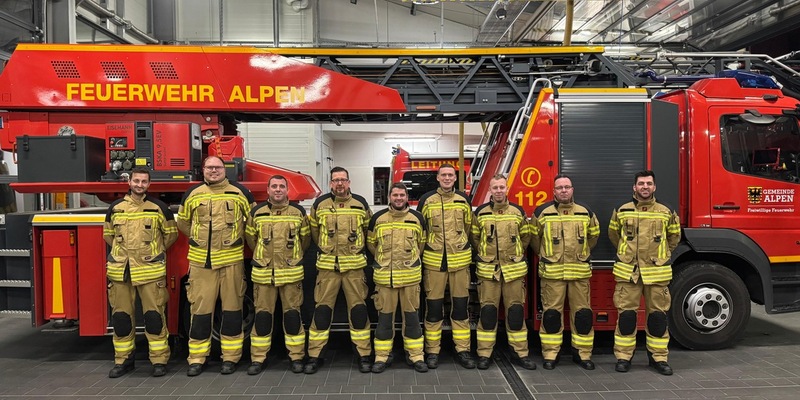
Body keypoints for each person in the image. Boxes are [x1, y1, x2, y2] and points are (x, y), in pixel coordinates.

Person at [177, 156, 255, 376]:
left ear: (225, 170)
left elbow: (251, 223)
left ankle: (230, 358)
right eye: (209, 167)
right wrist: (198, 240)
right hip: (202, 263)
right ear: (203, 170)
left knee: (232, 312)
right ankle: (197, 359)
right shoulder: (193, 194)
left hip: (231, 261)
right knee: (200, 312)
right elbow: (183, 222)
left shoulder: (241, 193)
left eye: (218, 167)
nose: (214, 171)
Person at [104, 167, 178, 378]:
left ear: (149, 184)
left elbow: (170, 235)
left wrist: (151, 253)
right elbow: (108, 234)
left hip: (150, 271)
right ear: (129, 182)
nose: (139, 185)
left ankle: (159, 360)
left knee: (154, 317)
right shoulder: (116, 208)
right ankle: (123, 361)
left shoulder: (159, 208)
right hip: (121, 271)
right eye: (136, 181)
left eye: (144, 181)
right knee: (121, 318)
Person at [608, 170, 680, 376]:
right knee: (627, 316)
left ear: (654, 187)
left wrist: (659, 256)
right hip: (628, 272)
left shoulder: (666, 211)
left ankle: (658, 358)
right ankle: (623, 357)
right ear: (634, 187)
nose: (645, 187)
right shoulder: (622, 210)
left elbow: (674, 237)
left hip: (656, 273)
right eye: (641, 183)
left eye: (649, 183)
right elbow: (614, 235)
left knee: (657, 318)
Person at [306, 167, 373, 374]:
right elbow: (315, 233)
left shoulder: (360, 204)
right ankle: (315, 356)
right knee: (322, 312)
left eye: (343, 180)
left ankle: (363, 355)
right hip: (327, 269)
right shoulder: (320, 204)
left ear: (349, 182)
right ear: (330, 184)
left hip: (354, 268)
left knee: (359, 312)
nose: (340, 184)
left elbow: (367, 231)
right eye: (336, 180)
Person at [530, 174, 600, 370]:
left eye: (567, 187)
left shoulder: (585, 212)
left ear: (572, 190)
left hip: (579, 273)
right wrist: (546, 255)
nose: (563, 191)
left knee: (583, 315)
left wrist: (581, 254)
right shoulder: (542, 212)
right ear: (554, 191)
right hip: (552, 274)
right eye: (559, 188)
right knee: (551, 315)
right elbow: (534, 239)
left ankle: (583, 354)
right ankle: (551, 354)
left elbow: (593, 237)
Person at [244, 175, 311, 375]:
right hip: (264, 275)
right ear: (268, 190)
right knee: (263, 317)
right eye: (274, 186)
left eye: (282, 186)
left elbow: (305, 240)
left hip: (290, 274)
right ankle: (258, 358)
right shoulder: (256, 212)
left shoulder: (298, 212)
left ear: (287, 190)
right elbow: (250, 239)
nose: (278, 190)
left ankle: (297, 356)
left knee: (292, 316)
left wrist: (293, 259)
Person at [471, 174, 536, 370]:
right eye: (495, 187)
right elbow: (474, 237)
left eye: (502, 187)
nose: (499, 191)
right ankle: (484, 353)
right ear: (490, 190)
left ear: (507, 189)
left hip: (513, 271)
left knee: (516, 312)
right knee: (488, 312)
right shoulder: (481, 213)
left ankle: (520, 353)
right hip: (488, 271)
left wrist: (515, 256)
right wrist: (485, 255)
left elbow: (526, 236)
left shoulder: (518, 212)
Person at [417, 163, 475, 369]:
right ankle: (432, 351)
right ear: (438, 178)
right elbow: (420, 231)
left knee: (460, 309)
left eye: (451, 175)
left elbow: (469, 227)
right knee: (433, 310)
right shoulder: (427, 200)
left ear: (455, 178)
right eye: (444, 175)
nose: (448, 178)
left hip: (459, 263)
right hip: (434, 264)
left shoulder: (463, 200)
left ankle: (463, 350)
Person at [366, 183, 428, 373]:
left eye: (402, 195)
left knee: (412, 320)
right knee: (384, 320)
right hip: (385, 279)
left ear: (406, 196)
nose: (398, 198)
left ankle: (416, 356)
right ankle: (382, 357)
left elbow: (422, 244)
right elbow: (371, 244)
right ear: (389, 197)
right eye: (395, 195)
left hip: (410, 278)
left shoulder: (417, 218)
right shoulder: (377, 218)